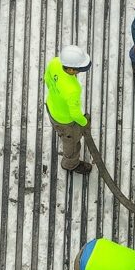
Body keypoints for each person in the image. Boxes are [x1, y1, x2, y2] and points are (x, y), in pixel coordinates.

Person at [44, 45, 93, 174]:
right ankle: (70, 164)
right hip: (65, 121)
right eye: (79, 69)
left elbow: (47, 80)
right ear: (71, 69)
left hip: (51, 107)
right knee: (71, 144)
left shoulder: (55, 62)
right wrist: (84, 123)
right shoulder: (73, 89)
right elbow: (75, 114)